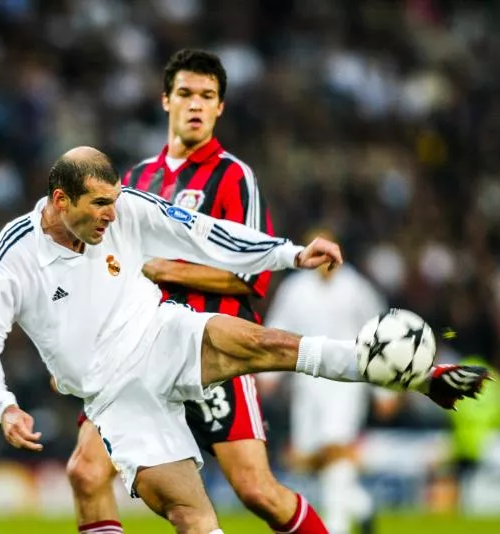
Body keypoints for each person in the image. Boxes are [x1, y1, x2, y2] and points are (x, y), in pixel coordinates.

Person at [0, 145, 489, 534]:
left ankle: (417, 374)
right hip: (114, 395)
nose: (111, 214)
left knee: (269, 344)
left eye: (114, 202)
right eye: (99, 205)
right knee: (193, 517)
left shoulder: (126, 208)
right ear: (61, 201)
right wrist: (5, 408)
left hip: (161, 333)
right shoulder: (14, 257)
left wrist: (288, 254)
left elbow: (204, 231)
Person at [66, 48, 320, 534]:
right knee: (87, 471)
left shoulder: (233, 176)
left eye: (208, 95)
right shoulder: (137, 180)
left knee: (257, 491)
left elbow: (251, 276)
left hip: (212, 348)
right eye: (186, 93)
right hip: (138, 353)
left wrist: (165, 269)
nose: (196, 104)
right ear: (166, 100)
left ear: (220, 107)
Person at [263, 228, 398, 534]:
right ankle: (361, 505)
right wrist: (268, 376)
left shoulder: (357, 288)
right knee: (308, 459)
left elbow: (380, 335)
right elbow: (278, 329)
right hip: (307, 386)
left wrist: (384, 392)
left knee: (336, 448)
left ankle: (336, 527)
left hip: (346, 385)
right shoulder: (295, 289)